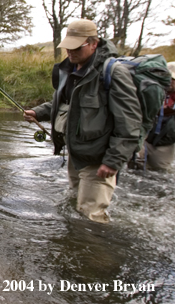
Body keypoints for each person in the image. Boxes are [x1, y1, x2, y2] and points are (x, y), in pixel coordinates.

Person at [23, 19, 142, 223]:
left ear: (94, 43)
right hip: (76, 155)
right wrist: (38, 112)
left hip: (99, 158)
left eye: (76, 47)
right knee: (76, 210)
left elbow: (130, 122)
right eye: (68, 46)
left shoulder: (113, 73)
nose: (70, 51)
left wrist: (113, 160)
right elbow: (62, 104)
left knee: (91, 219)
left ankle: (95, 254)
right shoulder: (70, 71)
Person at [138, 61, 175, 171]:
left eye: (172, 79)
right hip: (144, 136)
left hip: (166, 142)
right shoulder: (151, 87)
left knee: (160, 172)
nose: (169, 81)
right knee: (135, 165)